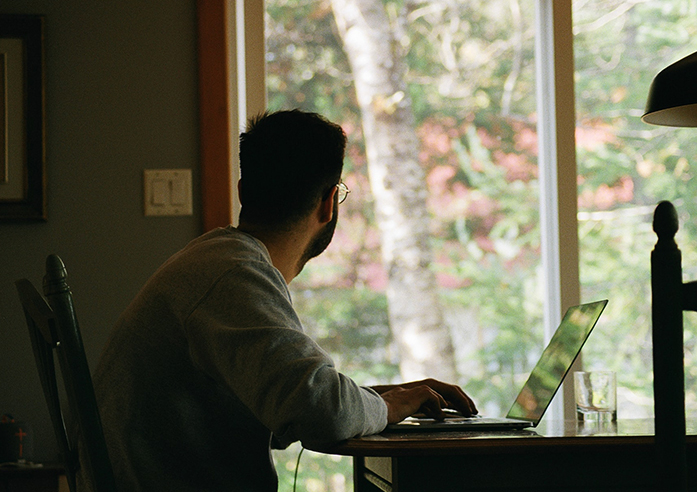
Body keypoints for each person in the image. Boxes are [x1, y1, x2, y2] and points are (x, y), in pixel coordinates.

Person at [81, 109, 477, 491]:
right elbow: (322, 413)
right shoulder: (233, 274)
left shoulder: (217, 261)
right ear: (328, 204)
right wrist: (387, 408)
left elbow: (300, 399)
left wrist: (383, 399)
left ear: (242, 191)